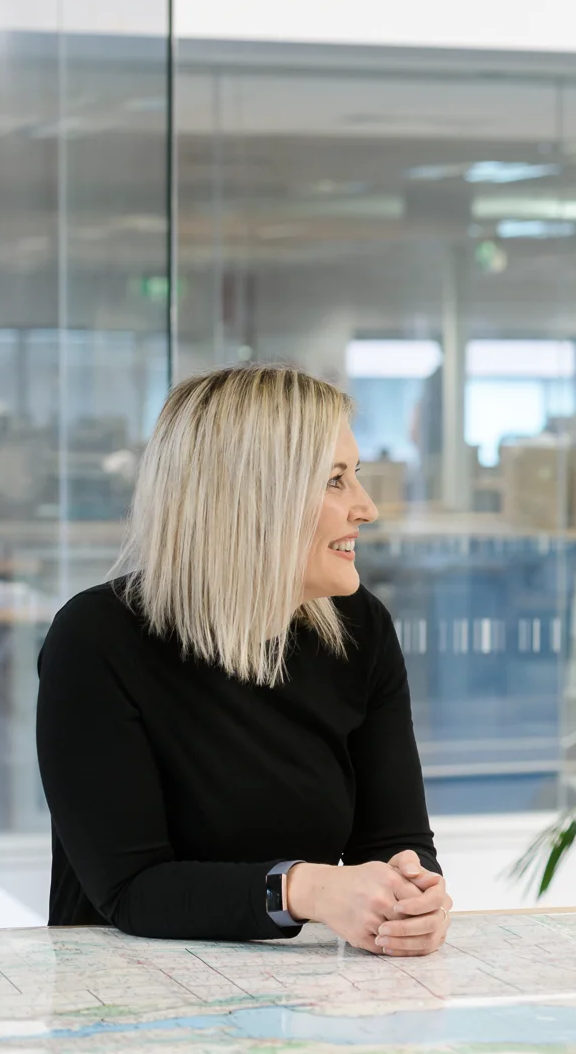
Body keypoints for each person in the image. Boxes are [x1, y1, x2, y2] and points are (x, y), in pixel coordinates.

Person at [38, 364, 453, 954]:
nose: (366, 507)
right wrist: (300, 888)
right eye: (335, 481)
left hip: (293, 998)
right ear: (254, 497)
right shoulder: (97, 639)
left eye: (354, 476)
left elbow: (394, 841)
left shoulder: (362, 629)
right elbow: (129, 890)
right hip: (123, 991)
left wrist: (411, 897)